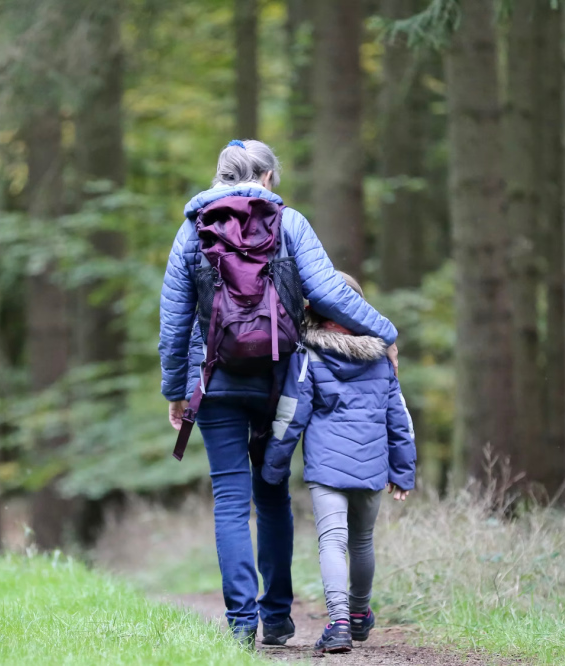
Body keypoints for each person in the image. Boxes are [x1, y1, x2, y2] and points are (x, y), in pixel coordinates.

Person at [158, 140, 399, 646]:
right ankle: (278, 617)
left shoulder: (191, 231)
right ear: (267, 177)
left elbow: (174, 322)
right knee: (271, 494)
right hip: (279, 381)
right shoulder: (290, 223)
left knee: (229, 498)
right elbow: (331, 292)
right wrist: (385, 333)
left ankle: (241, 624)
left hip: (216, 380)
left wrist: (176, 391)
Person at [261, 272, 416, 654]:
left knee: (332, 541)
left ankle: (340, 623)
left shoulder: (309, 355)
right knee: (362, 541)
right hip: (372, 464)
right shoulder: (381, 357)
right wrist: (403, 470)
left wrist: (273, 466)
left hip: (327, 468)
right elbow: (400, 419)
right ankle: (361, 614)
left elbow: (291, 414)